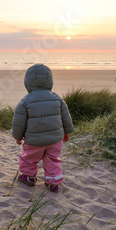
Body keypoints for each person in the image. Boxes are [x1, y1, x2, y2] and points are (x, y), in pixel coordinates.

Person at [11, 63, 74, 193]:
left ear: (27, 82)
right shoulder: (57, 98)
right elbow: (66, 118)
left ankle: (28, 177)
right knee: (52, 159)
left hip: (34, 141)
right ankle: (53, 182)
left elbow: (19, 122)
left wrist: (18, 136)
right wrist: (66, 132)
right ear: (50, 81)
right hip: (55, 140)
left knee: (29, 158)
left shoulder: (25, 101)